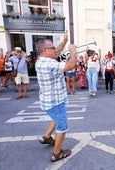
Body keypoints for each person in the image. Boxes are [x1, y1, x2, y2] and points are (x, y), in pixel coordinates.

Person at [35, 32, 77, 162]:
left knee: (56, 118)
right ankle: (57, 154)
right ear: (44, 50)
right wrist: (72, 51)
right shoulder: (49, 64)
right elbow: (71, 65)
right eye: (52, 48)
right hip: (54, 101)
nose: (56, 50)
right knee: (63, 126)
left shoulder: (42, 60)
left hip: (50, 100)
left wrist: (64, 41)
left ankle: (47, 137)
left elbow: (56, 51)